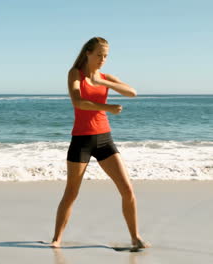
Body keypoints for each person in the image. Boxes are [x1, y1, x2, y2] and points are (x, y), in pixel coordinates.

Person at [51, 37, 149, 249]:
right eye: (99, 55)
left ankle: (135, 237)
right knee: (71, 192)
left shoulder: (105, 77)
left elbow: (132, 92)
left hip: (104, 139)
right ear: (87, 52)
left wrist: (102, 82)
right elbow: (77, 102)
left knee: (127, 189)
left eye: (106, 56)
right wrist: (108, 108)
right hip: (82, 140)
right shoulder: (75, 74)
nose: (103, 59)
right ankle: (57, 239)